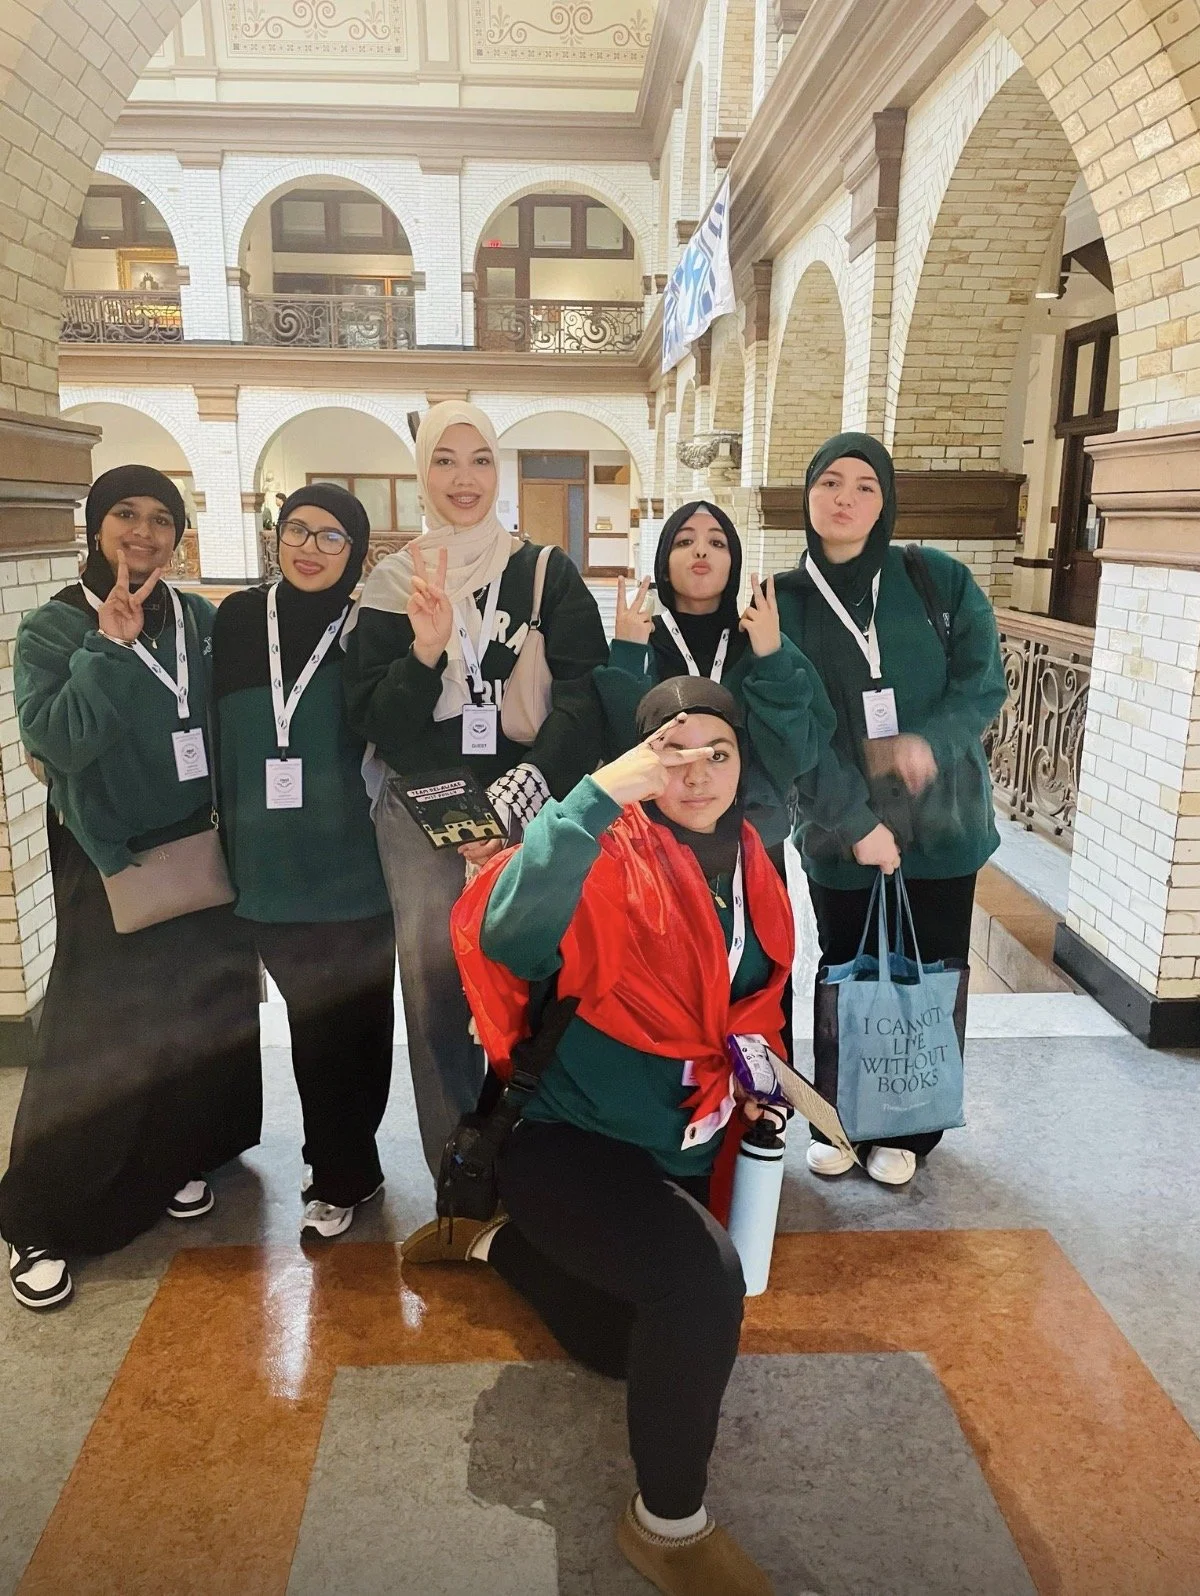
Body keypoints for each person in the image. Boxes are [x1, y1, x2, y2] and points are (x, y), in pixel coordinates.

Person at [404, 677, 792, 1596]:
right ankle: (669, 1526)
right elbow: (508, 937)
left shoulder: (753, 861)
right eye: (673, 753)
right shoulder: (607, 850)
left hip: (681, 1142)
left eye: (718, 754)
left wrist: (756, 1081)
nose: (696, 774)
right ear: (638, 760)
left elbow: (755, 1003)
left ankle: (496, 1243)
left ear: (743, 764)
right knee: (700, 1283)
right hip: (567, 1139)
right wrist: (593, 801)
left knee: (628, 1351)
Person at [0, 465, 262, 1311]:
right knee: (97, 1038)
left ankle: (169, 1162)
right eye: (125, 515)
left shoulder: (196, 616)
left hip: (205, 851)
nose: (142, 534)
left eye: (160, 519)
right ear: (94, 525)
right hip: (111, 861)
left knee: (193, 1023)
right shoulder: (52, 629)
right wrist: (109, 649)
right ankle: (42, 1216)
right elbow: (60, 744)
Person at [343, 400, 608, 1177]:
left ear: (500, 469)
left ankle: (543, 1153)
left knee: (538, 972)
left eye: (481, 459)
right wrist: (426, 654)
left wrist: (517, 794)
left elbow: (584, 697)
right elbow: (378, 720)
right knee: (435, 989)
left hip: (529, 800)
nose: (465, 479)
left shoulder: (544, 571)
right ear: (421, 473)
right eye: (445, 461)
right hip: (423, 803)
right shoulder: (392, 584)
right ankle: (459, 1167)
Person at [775, 433, 1007, 1187]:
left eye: (865, 485)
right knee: (846, 973)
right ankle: (840, 1119)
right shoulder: (784, 601)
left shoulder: (936, 579)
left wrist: (928, 743)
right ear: (808, 496)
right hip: (840, 832)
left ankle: (912, 1126)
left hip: (943, 827)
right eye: (830, 482)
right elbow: (793, 725)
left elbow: (983, 684)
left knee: (927, 979)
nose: (845, 497)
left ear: (886, 502)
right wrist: (850, 819)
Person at [212, 484, 395, 1243]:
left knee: (362, 1025)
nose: (309, 548)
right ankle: (340, 1166)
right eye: (297, 531)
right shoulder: (238, 618)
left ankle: (353, 1160)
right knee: (313, 1024)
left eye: (331, 537)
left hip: (358, 863)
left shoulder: (370, 626)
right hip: (269, 866)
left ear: (356, 554)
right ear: (275, 537)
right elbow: (220, 738)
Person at [595, 500, 837, 1059]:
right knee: (667, 989)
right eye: (684, 541)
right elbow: (620, 752)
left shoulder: (763, 639)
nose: (701, 551)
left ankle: (762, 1121)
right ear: (663, 560)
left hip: (754, 843)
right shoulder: (642, 639)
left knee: (758, 987)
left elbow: (797, 752)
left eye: (717, 542)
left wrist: (774, 656)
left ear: (735, 562)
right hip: (658, 849)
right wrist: (627, 656)